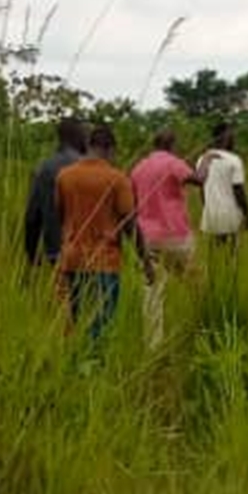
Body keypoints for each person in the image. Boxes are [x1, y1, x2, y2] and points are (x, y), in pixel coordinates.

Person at [54, 124, 153, 345]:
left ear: (89, 146)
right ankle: (93, 366)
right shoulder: (117, 179)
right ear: (110, 149)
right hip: (104, 262)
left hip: (71, 259)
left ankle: (76, 364)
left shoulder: (65, 176)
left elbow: (61, 215)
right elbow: (129, 224)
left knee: (76, 319)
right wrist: (145, 261)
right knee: (101, 321)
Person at [129, 128, 203, 348]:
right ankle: (202, 326)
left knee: (152, 292)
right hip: (176, 235)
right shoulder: (173, 162)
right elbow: (198, 180)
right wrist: (206, 160)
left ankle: (153, 345)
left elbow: (132, 202)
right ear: (172, 144)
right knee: (195, 282)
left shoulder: (139, 167)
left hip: (147, 238)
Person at [23, 117, 87, 268]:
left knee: (62, 291)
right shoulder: (94, 169)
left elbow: (32, 218)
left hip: (56, 252)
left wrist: (32, 255)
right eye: (85, 137)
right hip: (94, 254)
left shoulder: (43, 169)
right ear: (76, 138)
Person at [196, 121, 248, 254]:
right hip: (231, 212)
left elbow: (201, 188)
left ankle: (218, 273)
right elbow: (238, 190)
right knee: (233, 252)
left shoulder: (202, 159)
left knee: (216, 251)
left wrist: (207, 207)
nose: (234, 140)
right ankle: (231, 273)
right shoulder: (234, 160)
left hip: (211, 212)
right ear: (225, 137)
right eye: (232, 136)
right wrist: (247, 212)